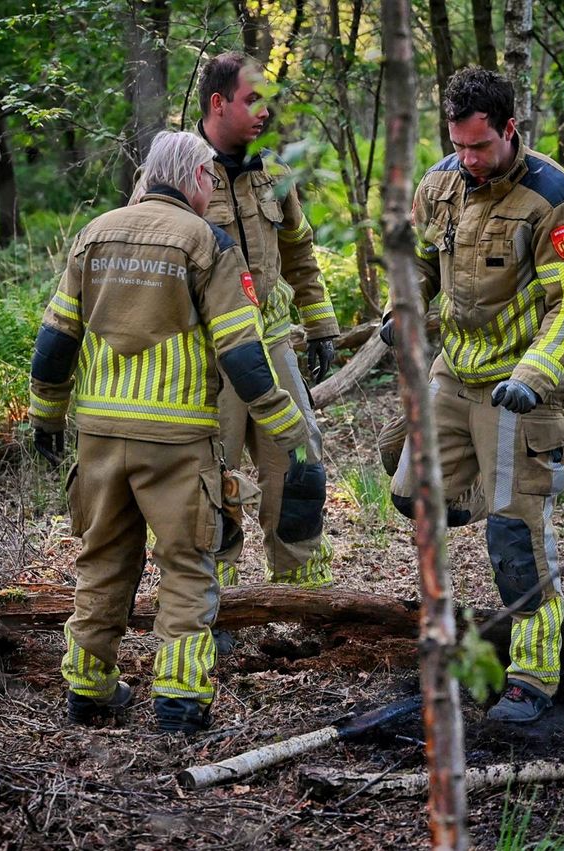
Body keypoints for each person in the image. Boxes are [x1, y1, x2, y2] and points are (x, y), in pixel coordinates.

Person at [28, 131, 309, 733]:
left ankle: (87, 687)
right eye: (209, 180)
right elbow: (241, 351)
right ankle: (180, 700)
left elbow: (55, 340)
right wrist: (287, 426)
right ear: (195, 179)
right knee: (186, 565)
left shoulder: (95, 234)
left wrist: (46, 418)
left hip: (100, 438)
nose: (212, 189)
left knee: (101, 561)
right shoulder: (206, 242)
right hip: (177, 445)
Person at [382, 67, 564, 723]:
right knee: (412, 496)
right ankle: (500, 484)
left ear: (510, 129)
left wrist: (535, 374)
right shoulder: (440, 182)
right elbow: (419, 265)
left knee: (513, 536)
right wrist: (404, 309)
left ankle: (532, 673)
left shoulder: (552, 197)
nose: (469, 160)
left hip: (517, 387)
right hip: (455, 374)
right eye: (458, 145)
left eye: (481, 147)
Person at [195, 52, 339, 592]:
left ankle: (305, 593)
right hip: (211, 354)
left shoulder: (274, 170)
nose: (263, 112)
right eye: (251, 100)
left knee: (301, 463)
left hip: (274, 341)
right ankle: (217, 602)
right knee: (213, 476)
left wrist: (321, 325)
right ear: (218, 102)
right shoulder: (178, 173)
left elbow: (299, 252)